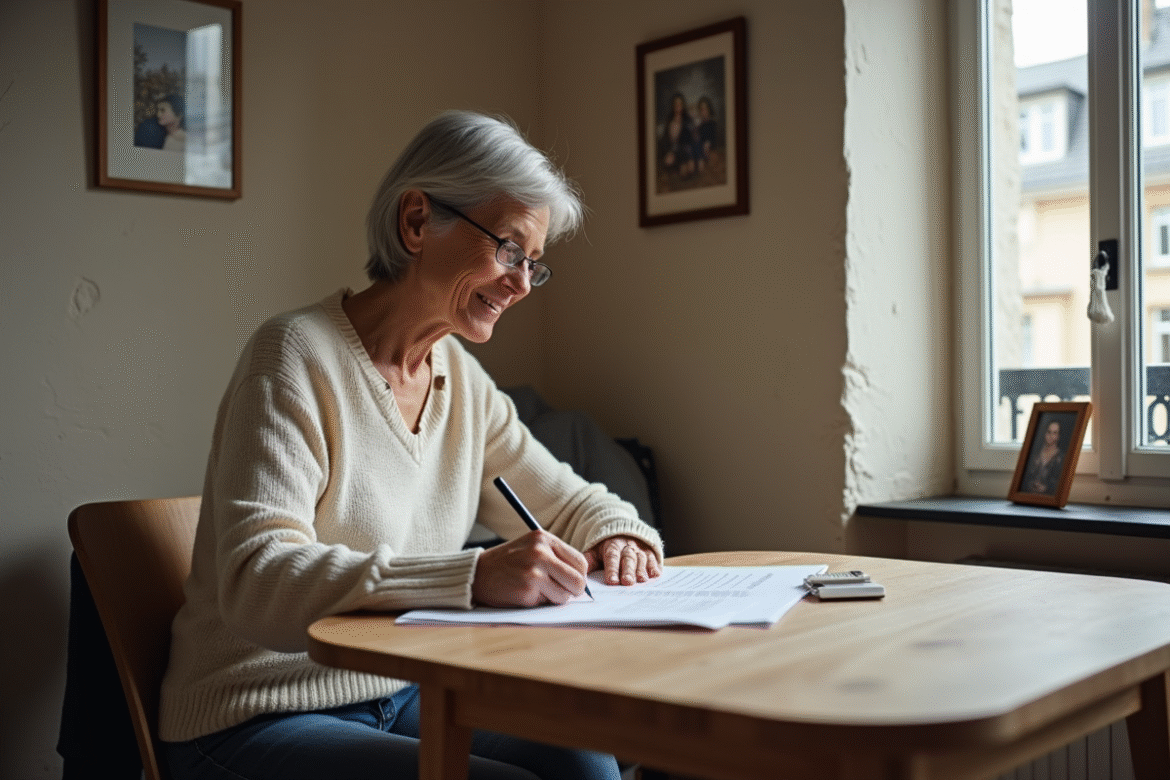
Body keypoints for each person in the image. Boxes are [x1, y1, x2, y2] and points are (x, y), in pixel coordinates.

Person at [158, 110, 664, 780]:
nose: (519, 284)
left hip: (395, 692)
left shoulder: (461, 379)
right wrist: (473, 577)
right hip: (256, 712)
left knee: (585, 761)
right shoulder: (293, 357)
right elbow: (257, 582)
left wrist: (618, 533)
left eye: (533, 265)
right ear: (418, 222)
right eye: (509, 249)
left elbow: (569, 501)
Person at [1023, 418, 1064, 495]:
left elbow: (1060, 485)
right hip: (1029, 498)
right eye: (1049, 432)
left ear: (1058, 436)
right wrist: (1031, 484)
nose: (1051, 436)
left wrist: (1046, 488)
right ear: (1045, 433)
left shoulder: (1062, 458)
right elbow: (1025, 478)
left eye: (1055, 433)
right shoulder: (1034, 454)